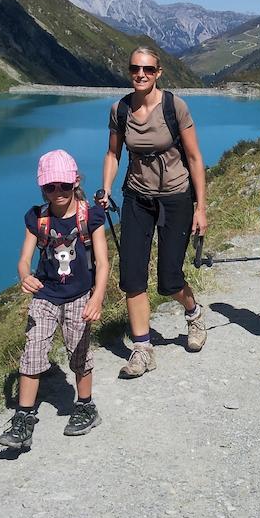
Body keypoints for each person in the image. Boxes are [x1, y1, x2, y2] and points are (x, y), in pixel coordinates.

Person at [98, 46, 208, 379]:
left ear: (159, 72)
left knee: (169, 278)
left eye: (147, 69)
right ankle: (142, 348)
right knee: (132, 274)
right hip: (137, 198)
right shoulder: (120, 110)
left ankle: (194, 312)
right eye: (135, 69)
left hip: (176, 197)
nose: (140, 74)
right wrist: (105, 188)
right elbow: (113, 154)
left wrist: (200, 207)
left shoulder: (175, 107)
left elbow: (194, 158)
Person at [0, 149, 109, 449]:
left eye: (63, 185)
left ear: (75, 181)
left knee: (79, 351)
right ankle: (23, 418)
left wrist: (97, 297)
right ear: (42, 187)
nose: (57, 192)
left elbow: (103, 262)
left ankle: (85, 405)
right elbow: (24, 259)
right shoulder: (37, 218)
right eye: (50, 187)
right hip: (45, 295)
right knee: (33, 350)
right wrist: (25, 276)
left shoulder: (91, 216)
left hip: (79, 295)